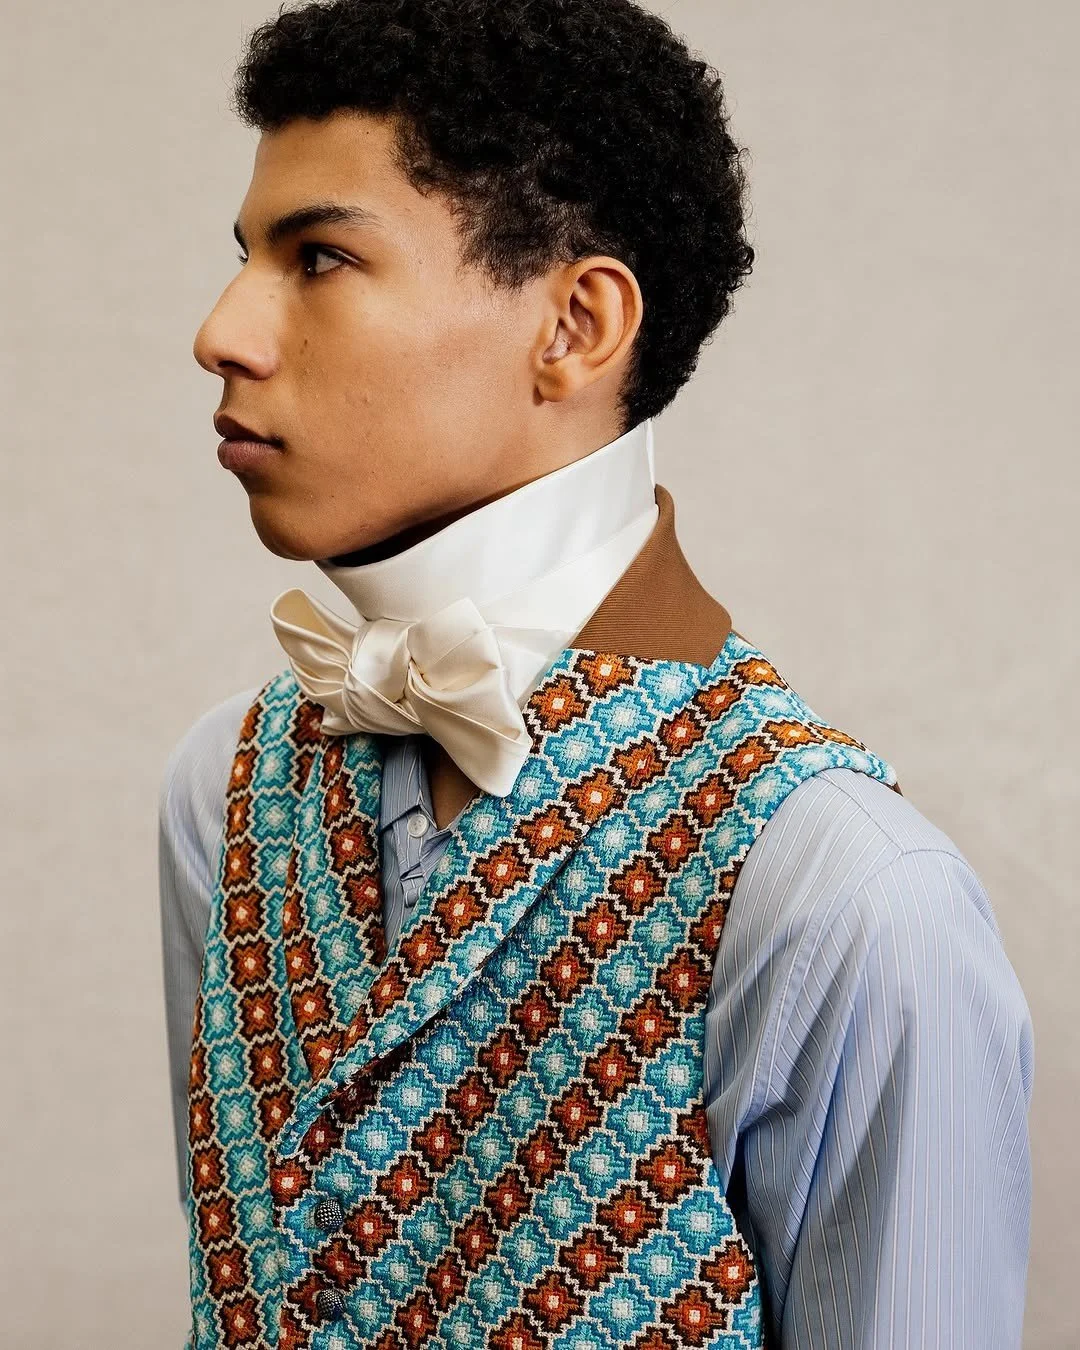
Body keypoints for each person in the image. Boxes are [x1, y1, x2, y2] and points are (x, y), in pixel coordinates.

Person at [159, 2, 1034, 1346]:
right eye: (246, 258)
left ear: (576, 324)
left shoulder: (851, 900)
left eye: (320, 257)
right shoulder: (221, 789)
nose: (225, 331)